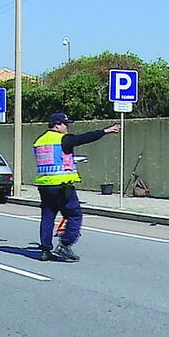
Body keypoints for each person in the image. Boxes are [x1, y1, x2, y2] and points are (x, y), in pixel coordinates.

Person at [34, 112, 120, 262]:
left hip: (44, 185)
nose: (67, 127)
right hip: (62, 185)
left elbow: (55, 158)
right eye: (65, 124)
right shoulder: (63, 139)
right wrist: (105, 131)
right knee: (74, 215)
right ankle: (65, 244)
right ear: (57, 125)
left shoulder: (39, 141)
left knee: (47, 218)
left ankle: (45, 250)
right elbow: (84, 138)